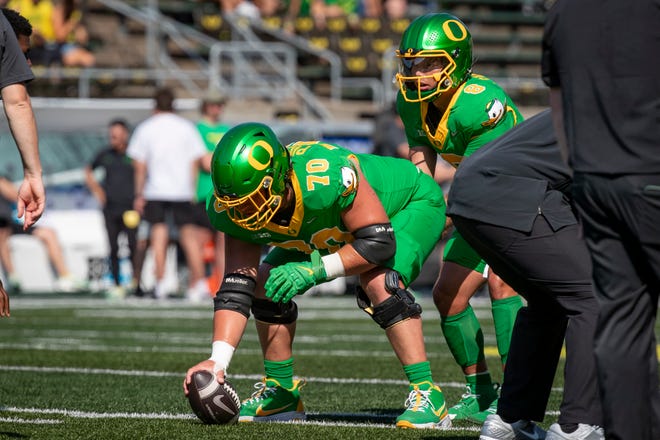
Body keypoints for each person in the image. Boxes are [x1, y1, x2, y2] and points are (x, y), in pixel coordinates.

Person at [184, 122, 450, 429]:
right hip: (330, 227)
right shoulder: (235, 207)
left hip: (405, 205)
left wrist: (314, 270)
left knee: (380, 282)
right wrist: (217, 362)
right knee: (264, 283)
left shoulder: (324, 176)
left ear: (279, 178)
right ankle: (282, 392)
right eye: (237, 204)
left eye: (253, 199)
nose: (244, 212)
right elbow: (236, 286)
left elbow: (378, 243)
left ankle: (427, 393)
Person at [394, 12, 524, 423]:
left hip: (524, 190)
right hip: (481, 193)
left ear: (455, 62)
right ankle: (481, 391)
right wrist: (412, 217)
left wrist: (434, 222)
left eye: (430, 63)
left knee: (503, 284)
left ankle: (520, 396)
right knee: (447, 294)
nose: (417, 73)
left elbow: (474, 183)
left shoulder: (481, 103)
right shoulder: (412, 101)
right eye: (413, 63)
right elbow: (422, 172)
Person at [444, 110, 604, 440]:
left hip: (471, 193)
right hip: (511, 193)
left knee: (548, 303)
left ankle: (510, 420)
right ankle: (577, 426)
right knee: (596, 297)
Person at [542, 1, 660, 439]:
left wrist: (581, 170)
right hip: (651, 169)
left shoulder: (563, 14)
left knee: (622, 326)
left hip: (595, 180)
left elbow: (559, 107)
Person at [127, 87, 208, 301]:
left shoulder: (146, 128)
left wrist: (138, 194)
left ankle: (160, 283)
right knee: (190, 239)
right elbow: (195, 161)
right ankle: (197, 285)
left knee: (159, 236)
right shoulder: (186, 128)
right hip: (182, 191)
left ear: (155, 106)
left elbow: (140, 165)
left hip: (156, 191)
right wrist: (192, 189)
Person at [85, 118, 139, 299]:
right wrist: (97, 190)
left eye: (116, 134)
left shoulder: (134, 155)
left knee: (133, 246)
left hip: (130, 208)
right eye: (111, 135)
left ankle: (136, 282)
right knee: (113, 247)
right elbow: (88, 171)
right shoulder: (105, 154)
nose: (113, 138)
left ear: (125, 134)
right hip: (110, 209)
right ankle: (116, 284)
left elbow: (143, 173)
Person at [1, 7, 44, 232]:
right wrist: (33, 175)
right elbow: (18, 102)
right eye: (22, 54)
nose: (27, 64)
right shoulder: (2, 29)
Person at [193, 92, 232, 295]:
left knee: (223, 242)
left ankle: (221, 284)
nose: (216, 109)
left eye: (219, 105)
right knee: (199, 241)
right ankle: (198, 283)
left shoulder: (227, 131)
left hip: (224, 193)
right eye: (212, 104)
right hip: (202, 192)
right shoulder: (197, 130)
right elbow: (204, 162)